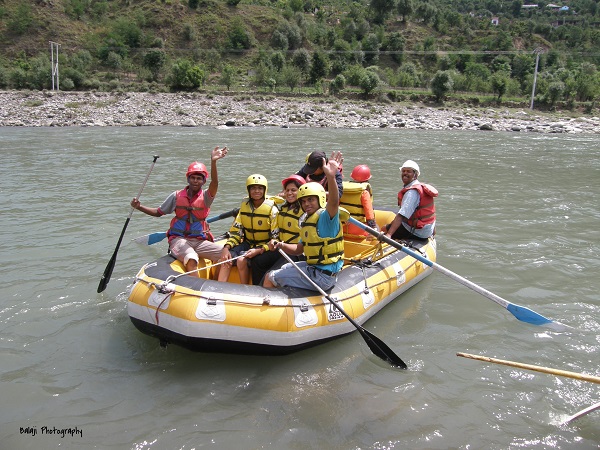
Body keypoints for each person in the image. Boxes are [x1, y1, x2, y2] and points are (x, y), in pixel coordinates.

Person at [131, 146, 228, 277]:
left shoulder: (206, 197)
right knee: (191, 257)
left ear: (203, 181)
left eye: (199, 178)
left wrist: (213, 162)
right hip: (178, 239)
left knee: (226, 255)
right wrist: (139, 207)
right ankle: (196, 288)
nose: (195, 180)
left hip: (199, 240)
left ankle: (215, 283)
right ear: (188, 178)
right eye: (193, 177)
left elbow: (215, 183)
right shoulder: (176, 196)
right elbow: (158, 212)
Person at [263, 152, 348, 292]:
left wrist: (331, 176)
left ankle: (268, 305)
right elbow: (299, 249)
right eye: (303, 201)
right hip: (315, 269)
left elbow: (334, 200)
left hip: (322, 277)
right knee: (284, 268)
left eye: (311, 200)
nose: (307, 204)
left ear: (319, 199)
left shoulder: (327, 217)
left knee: (270, 276)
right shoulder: (307, 220)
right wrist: (280, 245)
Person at [217, 174, 279, 285]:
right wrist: (226, 247)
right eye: (253, 188)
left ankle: (245, 288)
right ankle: (219, 288)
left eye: (260, 188)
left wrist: (260, 249)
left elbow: (276, 238)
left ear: (265, 190)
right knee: (226, 258)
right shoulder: (244, 208)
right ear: (248, 190)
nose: (256, 191)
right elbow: (236, 232)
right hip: (248, 243)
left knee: (241, 260)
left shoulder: (272, 210)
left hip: (264, 245)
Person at [383, 159, 437, 241]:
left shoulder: (412, 192)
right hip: (427, 231)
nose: (405, 173)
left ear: (415, 175)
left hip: (417, 232)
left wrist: (389, 234)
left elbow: (402, 215)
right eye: (403, 171)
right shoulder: (420, 187)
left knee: (384, 228)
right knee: (392, 224)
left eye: (409, 171)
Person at [265, 174, 307, 272]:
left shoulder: (305, 212)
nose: (289, 193)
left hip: (296, 252)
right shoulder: (283, 208)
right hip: (280, 248)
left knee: (271, 273)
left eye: (293, 190)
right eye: (287, 190)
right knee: (258, 261)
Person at [340, 164, 378, 239]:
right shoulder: (364, 192)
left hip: (342, 229)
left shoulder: (341, 189)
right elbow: (369, 213)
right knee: (378, 227)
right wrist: (373, 228)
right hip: (359, 230)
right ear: (367, 179)